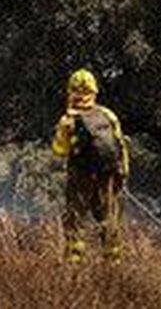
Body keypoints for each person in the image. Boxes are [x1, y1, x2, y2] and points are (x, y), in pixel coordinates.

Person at [51, 68, 129, 262]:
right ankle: (113, 262)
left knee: (75, 220)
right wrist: (122, 175)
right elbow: (121, 145)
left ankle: (75, 262)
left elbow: (60, 151)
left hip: (80, 177)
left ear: (71, 91)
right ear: (94, 91)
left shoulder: (68, 119)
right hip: (108, 176)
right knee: (108, 219)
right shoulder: (109, 115)